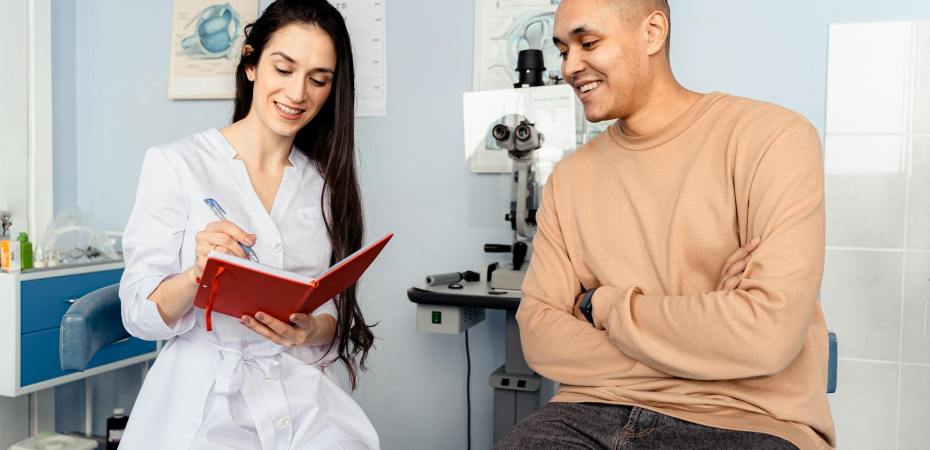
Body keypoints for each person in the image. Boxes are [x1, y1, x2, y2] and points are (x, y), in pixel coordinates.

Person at [495, 0, 835, 449]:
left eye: (589, 43)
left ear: (653, 33)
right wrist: (708, 342)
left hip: (749, 420)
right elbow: (539, 335)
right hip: (589, 412)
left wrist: (606, 306)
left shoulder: (774, 138)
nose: (571, 66)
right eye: (563, 51)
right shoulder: (570, 179)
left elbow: (766, 337)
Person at [117, 1, 378, 448]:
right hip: (203, 399)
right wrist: (196, 275)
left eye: (318, 80)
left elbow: (334, 313)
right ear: (251, 62)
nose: (298, 94)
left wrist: (312, 329)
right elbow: (138, 314)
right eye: (283, 69)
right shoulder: (176, 165)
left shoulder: (324, 184)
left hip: (300, 393)